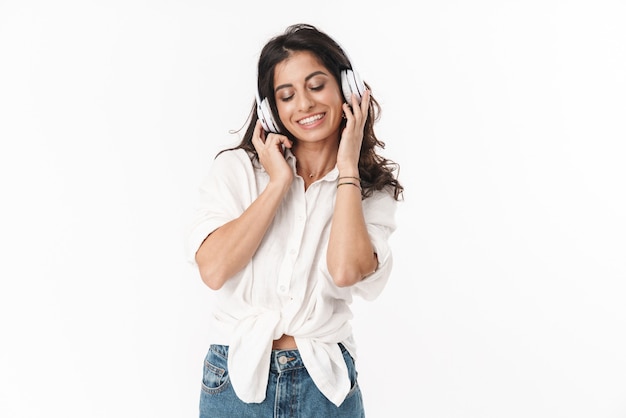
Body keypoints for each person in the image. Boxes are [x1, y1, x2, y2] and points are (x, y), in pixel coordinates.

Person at [187, 23, 403, 417]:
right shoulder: (237, 170)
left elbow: (345, 270)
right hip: (236, 378)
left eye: (317, 86)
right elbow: (214, 270)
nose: (304, 104)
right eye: (286, 95)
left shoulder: (373, 190)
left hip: (324, 384)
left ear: (348, 91)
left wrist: (347, 168)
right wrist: (277, 185)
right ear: (272, 110)